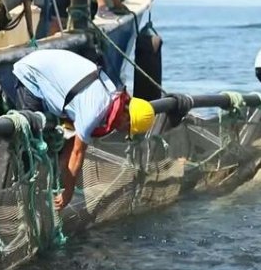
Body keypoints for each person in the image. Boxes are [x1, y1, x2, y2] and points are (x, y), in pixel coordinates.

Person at [12, 49, 155, 210]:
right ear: (126, 116)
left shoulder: (110, 94)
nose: (122, 132)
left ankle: (41, 192)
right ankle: (21, 200)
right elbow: (78, 152)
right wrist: (68, 191)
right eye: (127, 128)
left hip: (49, 70)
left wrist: (62, 173)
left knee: (49, 146)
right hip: (31, 73)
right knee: (32, 144)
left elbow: (72, 141)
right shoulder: (95, 110)